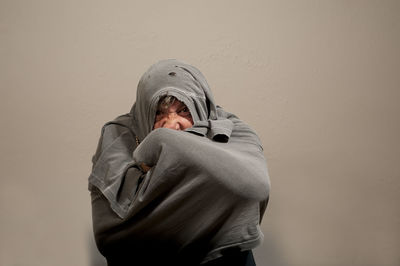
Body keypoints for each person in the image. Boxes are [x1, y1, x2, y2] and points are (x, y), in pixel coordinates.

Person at [88, 59, 270, 266]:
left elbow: (254, 188)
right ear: (143, 113)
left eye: (184, 110)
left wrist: (161, 142)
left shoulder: (234, 129)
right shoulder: (120, 134)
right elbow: (113, 236)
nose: (172, 125)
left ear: (200, 107)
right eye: (158, 113)